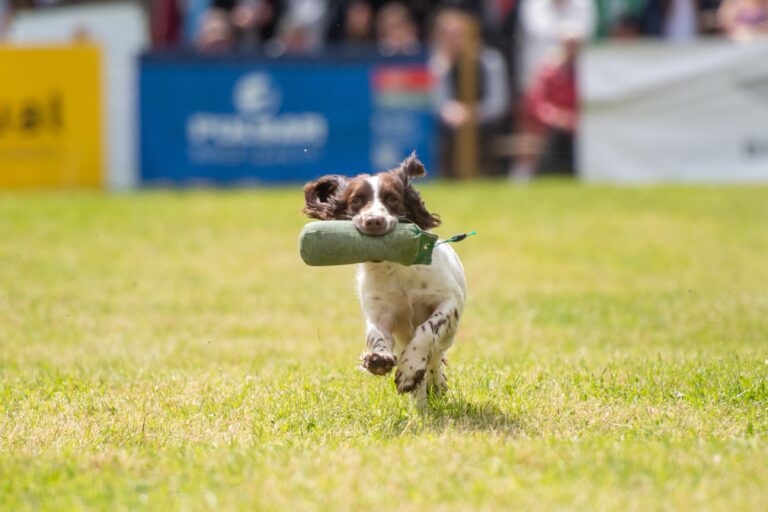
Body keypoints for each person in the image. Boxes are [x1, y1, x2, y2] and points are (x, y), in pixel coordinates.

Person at [430, 7, 510, 176]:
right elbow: (437, 102)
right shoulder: (438, 66)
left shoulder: (491, 62)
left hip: (486, 124)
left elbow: (498, 103)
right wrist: (452, 112)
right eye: (448, 35)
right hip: (452, 126)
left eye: (458, 34)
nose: (454, 41)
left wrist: (473, 113)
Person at [526, 33, 580, 177]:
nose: (572, 50)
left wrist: (574, 118)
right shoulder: (548, 72)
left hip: (578, 124)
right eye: (569, 46)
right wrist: (557, 117)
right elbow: (537, 103)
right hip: (552, 126)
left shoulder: (586, 73)